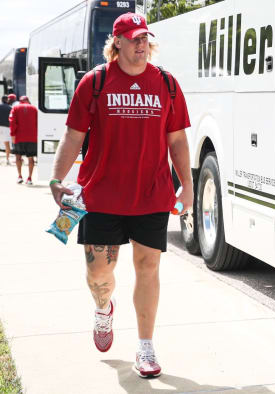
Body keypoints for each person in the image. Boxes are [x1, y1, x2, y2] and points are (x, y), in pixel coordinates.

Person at [48, 12, 192, 378]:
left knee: (148, 268)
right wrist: (56, 178)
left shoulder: (167, 84)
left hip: (151, 195)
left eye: (145, 38)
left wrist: (187, 185)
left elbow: (176, 139)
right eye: (133, 39)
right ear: (118, 43)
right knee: (99, 273)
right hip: (100, 196)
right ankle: (103, 308)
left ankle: (145, 347)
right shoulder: (94, 82)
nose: (141, 44)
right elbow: (74, 134)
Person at [9, 96, 37, 184]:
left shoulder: (15, 108)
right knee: (31, 158)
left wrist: (12, 134)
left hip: (19, 137)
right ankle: (29, 178)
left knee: (18, 157)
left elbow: (12, 121)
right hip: (32, 137)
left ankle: (20, 176)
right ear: (28, 101)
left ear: (20, 101)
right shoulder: (34, 108)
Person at [0, 95, 12, 165]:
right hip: (6, 128)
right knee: (7, 145)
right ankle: (7, 159)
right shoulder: (10, 108)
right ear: (7, 100)